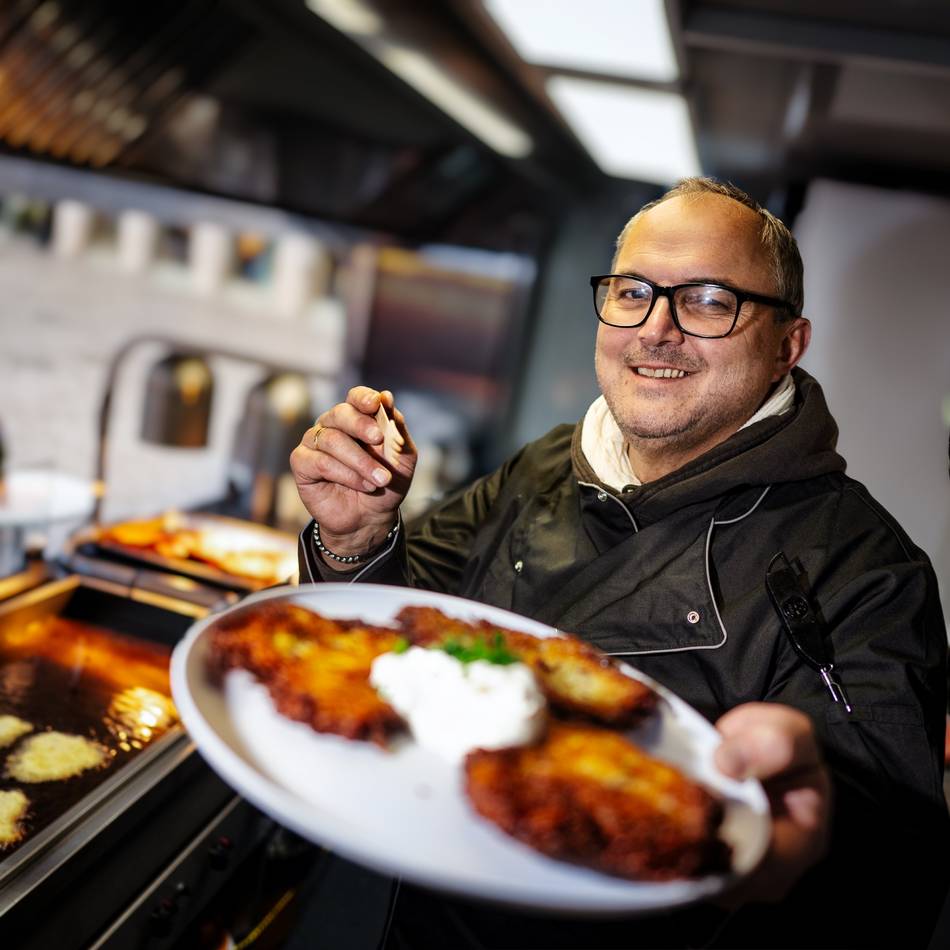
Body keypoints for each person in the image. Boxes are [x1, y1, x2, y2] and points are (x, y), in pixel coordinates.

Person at [290, 178, 949, 948]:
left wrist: (808, 853)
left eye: (706, 299)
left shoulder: (865, 570)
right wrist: (357, 537)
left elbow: (894, 865)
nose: (655, 330)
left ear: (786, 347)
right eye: (633, 291)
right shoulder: (544, 468)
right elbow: (377, 642)